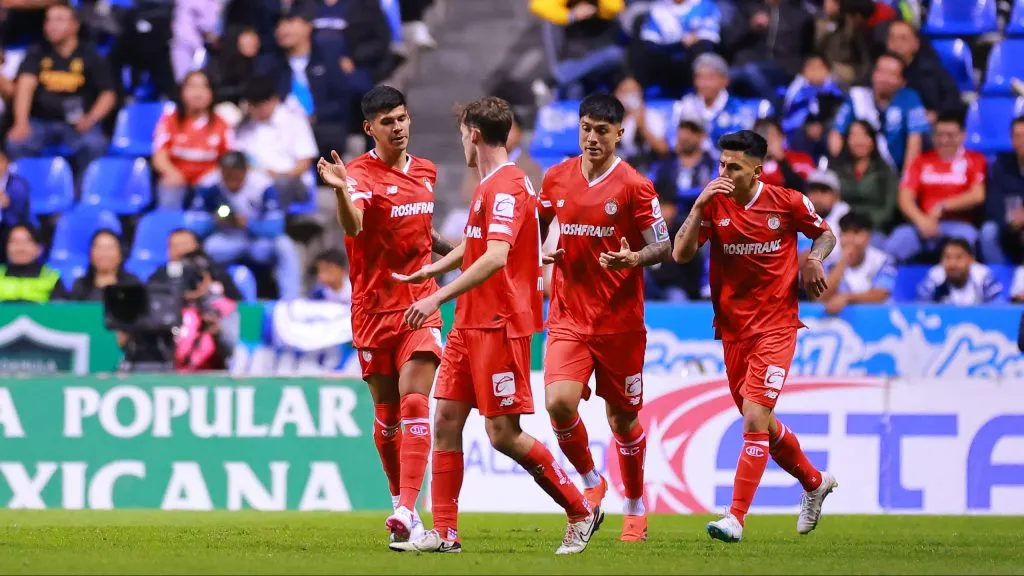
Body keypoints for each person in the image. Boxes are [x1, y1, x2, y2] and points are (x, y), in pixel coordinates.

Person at [390, 96, 600, 555]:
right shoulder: (491, 185)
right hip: (470, 323)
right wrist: (434, 270)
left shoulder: (504, 187)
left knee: (502, 434)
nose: (461, 142)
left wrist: (437, 297)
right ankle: (445, 533)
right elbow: (475, 244)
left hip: (500, 324)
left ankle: (581, 510)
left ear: (475, 134)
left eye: (463, 133)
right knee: (445, 419)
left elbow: (495, 255)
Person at [671, 129, 839, 542]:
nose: (725, 173)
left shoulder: (787, 202)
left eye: (734, 167)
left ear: (756, 171)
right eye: (721, 165)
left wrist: (813, 258)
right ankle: (815, 482)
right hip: (731, 330)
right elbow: (680, 254)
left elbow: (825, 233)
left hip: (777, 326)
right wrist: (697, 208)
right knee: (763, 424)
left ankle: (735, 517)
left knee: (752, 419)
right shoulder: (713, 204)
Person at [316, 85, 454, 546]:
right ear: (368, 128)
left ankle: (406, 506)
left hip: (420, 305)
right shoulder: (357, 176)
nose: (397, 128)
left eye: (402, 119)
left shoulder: (428, 171)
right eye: (387, 122)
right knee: (387, 414)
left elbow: (423, 234)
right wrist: (339, 192)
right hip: (373, 311)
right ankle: (402, 505)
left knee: (416, 402)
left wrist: (464, 260)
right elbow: (354, 224)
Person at [538, 93, 671, 542]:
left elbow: (664, 246)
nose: (592, 138)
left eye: (602, 131)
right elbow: (543, 224)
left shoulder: (636, 186)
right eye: (586, 128)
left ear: (619, 134)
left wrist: (633, 257)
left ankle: (635, 505)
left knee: (622, 420)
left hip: (619, 323)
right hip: (569, 317)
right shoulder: (555, 178)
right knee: (558, 403)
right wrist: (544, 255)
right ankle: (592, 480)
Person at [6, 3, 116, 174]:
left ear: (75, 25)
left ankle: (83, 196)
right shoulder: (37, 52)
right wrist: (21, 122)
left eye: (59, 20)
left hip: (77, 124)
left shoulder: (90, 55)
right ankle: (28, 194)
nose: (51, 26)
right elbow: (24, 88)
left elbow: (108, 94)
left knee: (94, 144)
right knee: (16, 142)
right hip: (41, 123)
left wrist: (91, 118)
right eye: (48, 20)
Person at [188, 151, 302, 301]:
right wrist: (214, 221)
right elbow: (194, 226)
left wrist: (248, 223)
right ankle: (212, 300)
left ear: (245, 170)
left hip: (257, 241)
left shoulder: (262, 184)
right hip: (226, 240)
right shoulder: (209, 184)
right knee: (208, 248)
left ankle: (290, 303)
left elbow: (276, 227)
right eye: (227, 174)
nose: (231, 179)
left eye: (236, 173)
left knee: (285, 245)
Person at [886, 112, 986, 263]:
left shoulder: (975, 159)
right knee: (897, 241)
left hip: (958, 225)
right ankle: (886, 284)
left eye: (950, 135)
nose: (944, 140)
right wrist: (921, 220)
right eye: (939, 135)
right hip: (923, 223)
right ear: (933, 137)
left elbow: (977, 195)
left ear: (962, 136)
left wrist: (944, 206)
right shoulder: (921, 161)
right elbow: (904, 198)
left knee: (968, 238)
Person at [829, 51, 929, 172]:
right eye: (881, 71)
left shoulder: (910, 98)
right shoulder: (858, 96)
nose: (884, 78)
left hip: (895, 174)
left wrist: (905, 181)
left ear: (902, 81)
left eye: (892, 74)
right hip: (860, 174)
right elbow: (836, 134)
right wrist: (842, 172)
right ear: (873, 74)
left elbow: (915, 141)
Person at [817, 211, 897, 315]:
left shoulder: (883, 261)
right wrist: (843, 262)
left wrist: (847, 298)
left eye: (855, 233)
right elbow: (821, 296)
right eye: (845, 233)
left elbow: (880, 295)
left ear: (868, 236)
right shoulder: (830, 262)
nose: (850, 239)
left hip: (877, 319)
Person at [980, 116, 1024, 265]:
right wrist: (1010, 220)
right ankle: (1000, 280)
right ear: (1011, 140)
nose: (1022, 141)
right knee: (988, 231)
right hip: (1008, 224)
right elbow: (993, 202)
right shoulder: (1001, 164)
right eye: (1017, 136)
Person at [917, 238, 1004, 305]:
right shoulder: (934, 276)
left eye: (959, 257)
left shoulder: (984, 276)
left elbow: (999, 309)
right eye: (947, 257)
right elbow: (921, 308)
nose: (952, 264)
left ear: (971, 260)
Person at [68, 229, 141, 301]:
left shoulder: (132, 284)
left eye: (109, 248)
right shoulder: (80, 285)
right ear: (91, 254)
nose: (104, 253)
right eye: (99, 247)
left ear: (120, 253)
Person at [0, 224, 67, 302]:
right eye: (14, 241)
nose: (20, 248)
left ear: (39, 248)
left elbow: (60, 312)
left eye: (26, 241)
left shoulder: (52, 278)